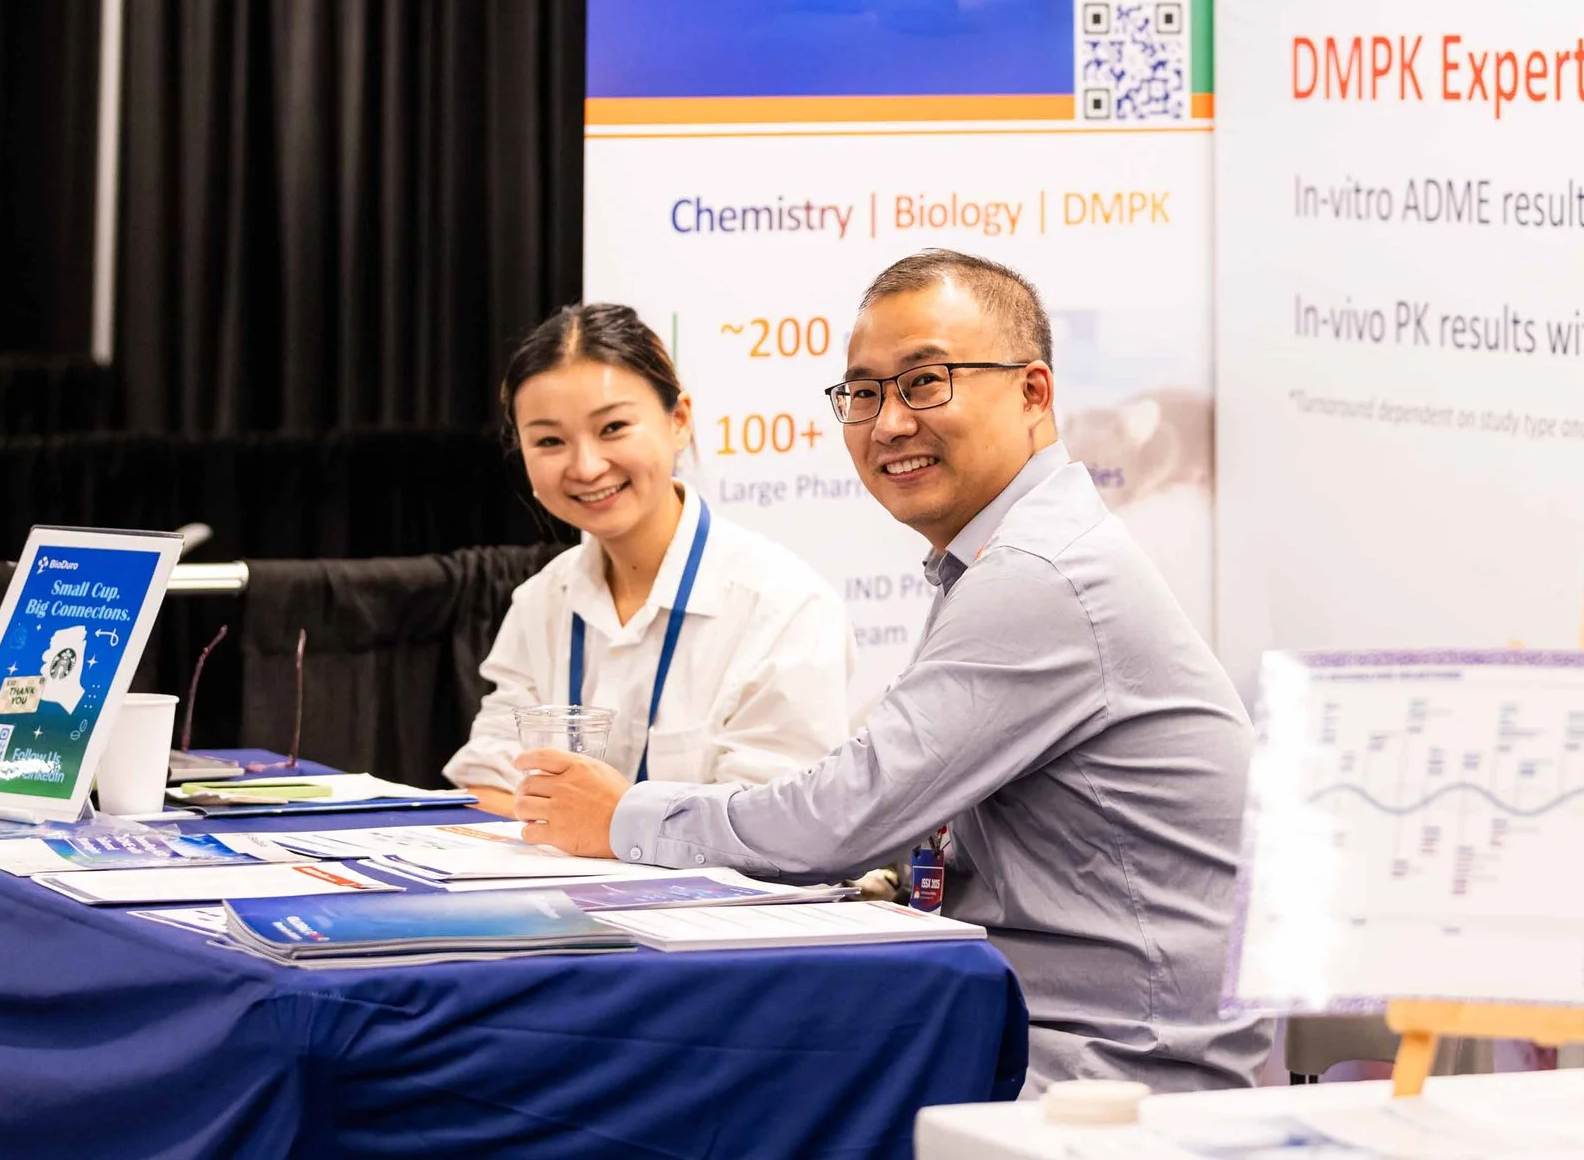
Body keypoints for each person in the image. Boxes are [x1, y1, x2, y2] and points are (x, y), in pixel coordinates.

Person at [517, 252, 1271, 1092]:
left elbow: (844, 817)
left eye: (925, 383)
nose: (888, 423)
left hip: (1110, 1075)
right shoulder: (1003, 561)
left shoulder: (1039, 574)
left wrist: (623, 816)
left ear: (1034, 393)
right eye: (864, 392)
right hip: (1022, 1025)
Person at [445, 302, 852, 814]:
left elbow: (773, 828)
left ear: (678, 420)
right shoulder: (542, 601)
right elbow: (484, 788)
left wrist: (612, 823)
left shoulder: (784, 607)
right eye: (549, 440)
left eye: (613, 428)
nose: (587, 466)